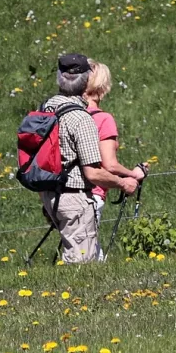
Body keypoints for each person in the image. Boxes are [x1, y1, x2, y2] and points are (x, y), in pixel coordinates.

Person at [40, 53, 138, 264]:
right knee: (83, 266)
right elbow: (96, 171)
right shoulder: (83, 118)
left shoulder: (47, 107)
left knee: (89, 257)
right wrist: (125, 181)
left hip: (49, 192)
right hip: (76, 196)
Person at [83, 59, 148, 258]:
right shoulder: (103, 119)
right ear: (102, 88)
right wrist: (134, 174)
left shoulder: (70, 115)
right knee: (89, 256)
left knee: (81, 250)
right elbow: (109, 164)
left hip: (63, 195)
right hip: (92, 194)